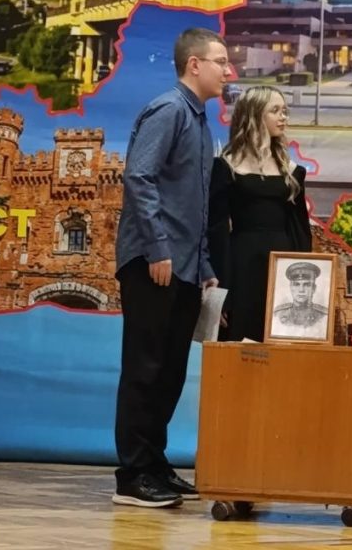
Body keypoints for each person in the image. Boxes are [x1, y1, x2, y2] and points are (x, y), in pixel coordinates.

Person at [112, 27, 228, 508]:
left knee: (170, 370)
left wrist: (203, 264)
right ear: (194, 65)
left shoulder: (199, 121)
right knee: (145, 367)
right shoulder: (169, 110)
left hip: (183, 266)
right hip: (153, 262)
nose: (228, 71)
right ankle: (133, 475)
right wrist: (158, 249)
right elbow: (139, 177)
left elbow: (192, 204)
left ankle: (155, 464)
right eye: (221, 61)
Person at [208, 85, 312, 343]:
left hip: (283, 269)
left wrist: (305, 284)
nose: (283, 117)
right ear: (254, 115)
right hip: (241, 266)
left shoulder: (293, 171)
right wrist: (221, 295)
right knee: (237, 343)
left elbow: (301, 233)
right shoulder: (226, 167)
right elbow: (216, 232)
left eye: (285, 111)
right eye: (275, 111)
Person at [271, 261, 329, 339]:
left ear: (314, 288)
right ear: (291, 288)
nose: (301, 290)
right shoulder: (278, 314)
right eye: (296, 284)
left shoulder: (323, 316)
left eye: (307, 285)